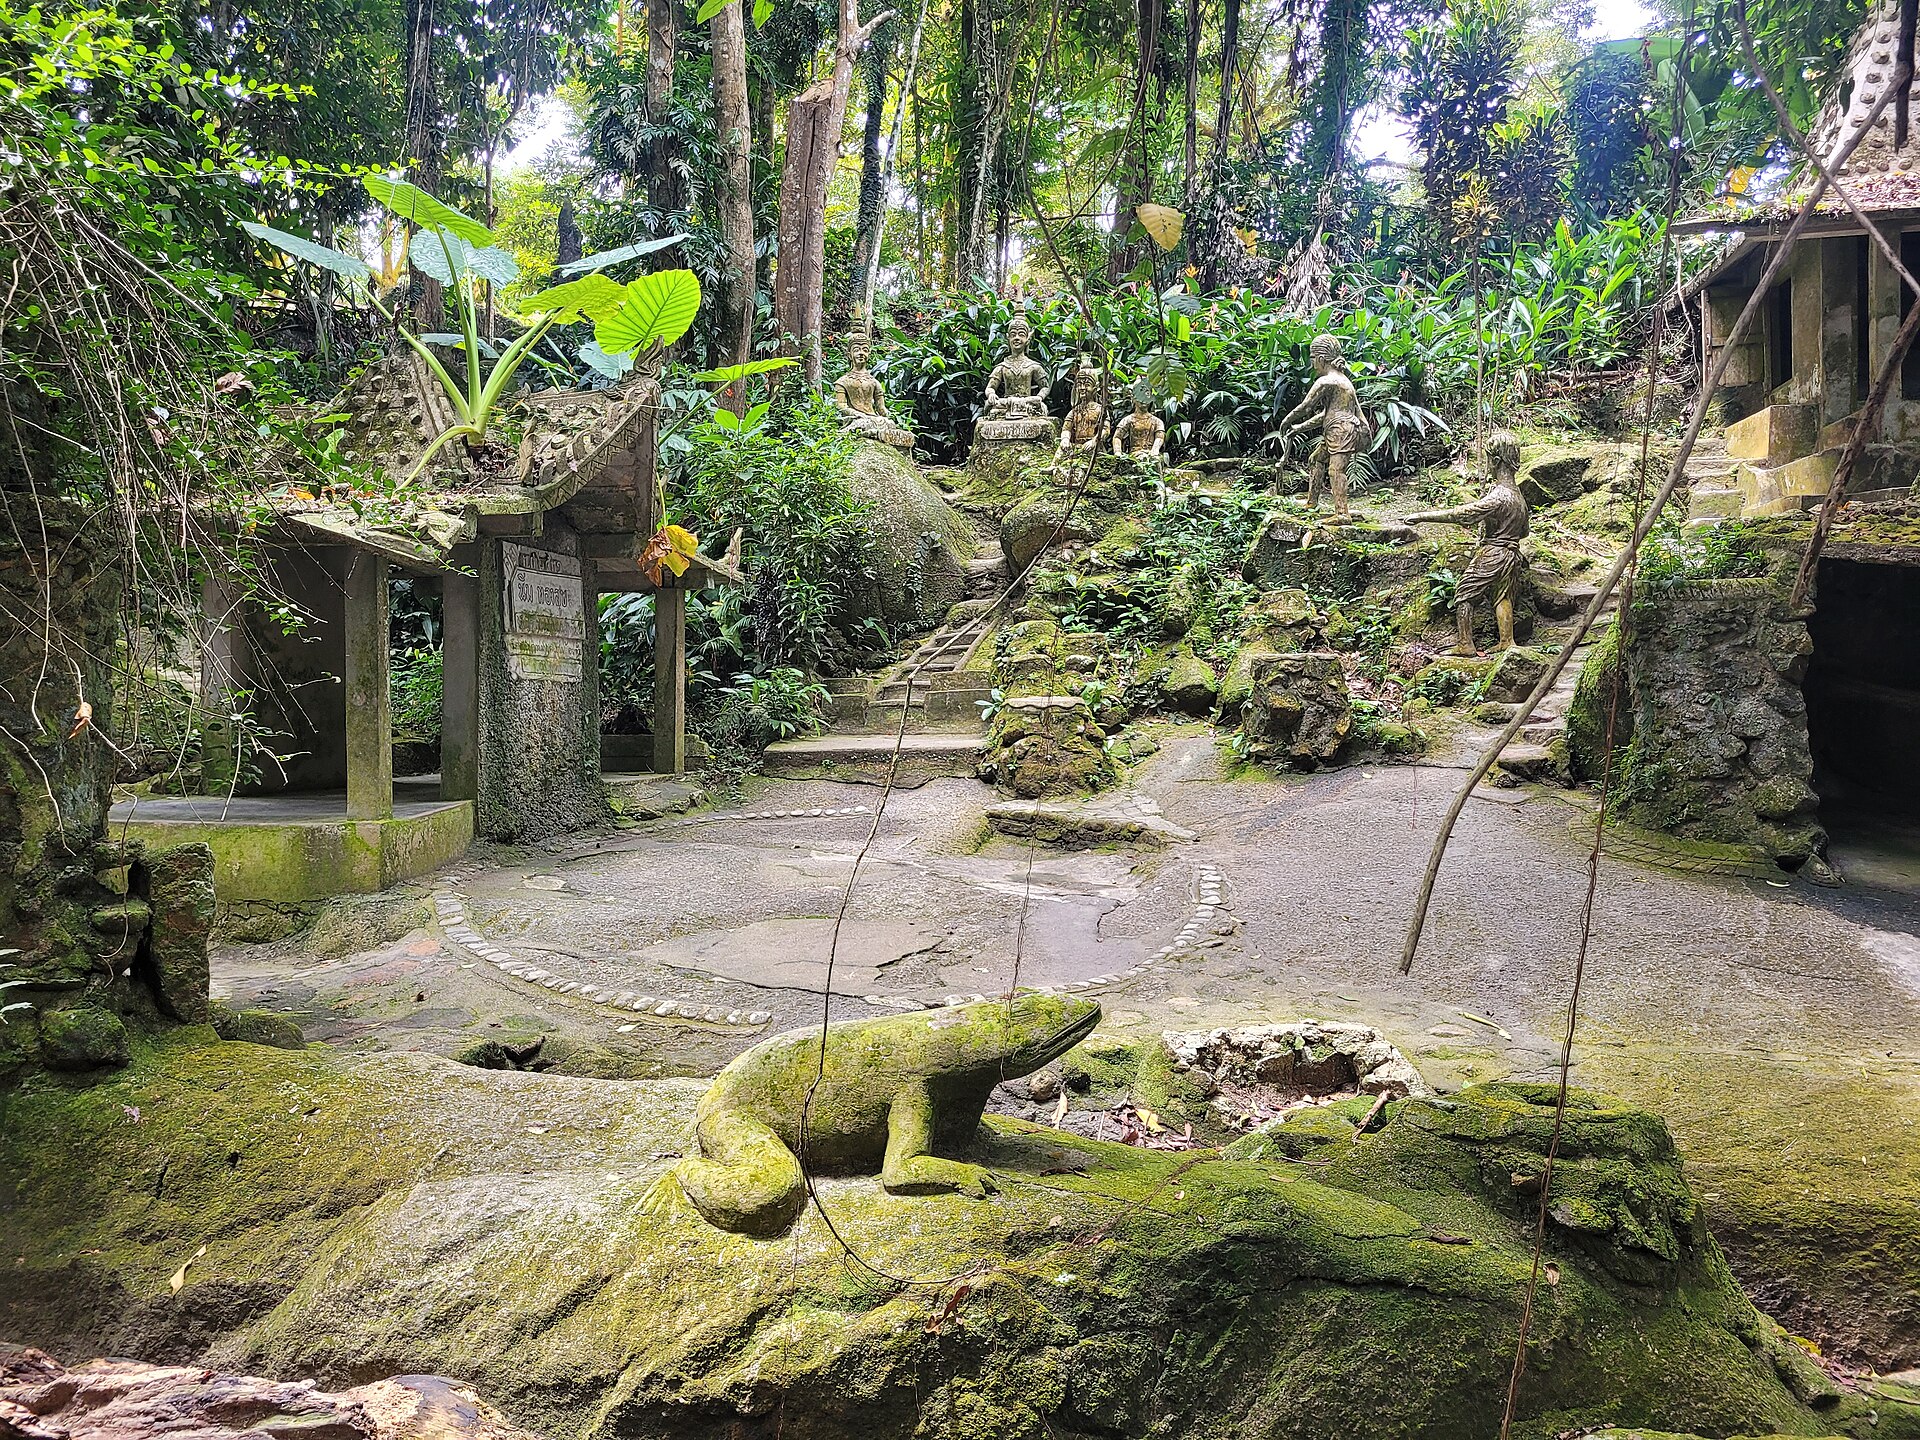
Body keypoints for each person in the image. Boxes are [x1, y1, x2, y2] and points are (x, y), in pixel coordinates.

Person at [1405, 430, 1530, 655]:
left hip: (1494, 552)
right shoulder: (1519, 498)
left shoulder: (1500, 495)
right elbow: (1524, 532)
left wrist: (1424, 516)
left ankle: (1465, 644)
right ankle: (1506, 641)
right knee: (1503, 596)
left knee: (1464, 593)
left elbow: (1464, 514)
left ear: (1496, 460)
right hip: (1512, 555)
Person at [1278, 333, 1371, 518]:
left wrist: (1287, 420)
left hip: (1341, 432)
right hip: (1343, 429)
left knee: (1336, 470)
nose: (1312, 364)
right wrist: (1299, 428)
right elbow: (1327, 415)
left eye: (1312, 359)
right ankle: (1312, 503)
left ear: (1321, 358)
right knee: (1316, 459)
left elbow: (1307, 406)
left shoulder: (1327, 381)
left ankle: (1342, 515)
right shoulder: (1343, 381)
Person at [831, 329, 914, 450]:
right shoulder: (843, 381)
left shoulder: (874, 382)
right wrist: (858, 415)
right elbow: (841, 406)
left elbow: (881, 408)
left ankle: (882, 435)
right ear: (849, 355)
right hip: (857, 420)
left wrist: (887, 416)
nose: (861, 353)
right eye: (856, 350)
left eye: (865, 350)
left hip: (873, 418)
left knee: (888, 424)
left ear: (869, 353)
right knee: (864, 424)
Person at [983, 316, 1051, 420]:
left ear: (1028, 339)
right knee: (991, 406)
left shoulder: (1033, 366)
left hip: (1027, 403)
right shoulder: (1002, 366)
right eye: (1013, 335)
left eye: (1021, 335)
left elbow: (1045, 387)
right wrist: (991, 394)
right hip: (1006, 404)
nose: (1017, 338)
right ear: (1008, 338)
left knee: (1040, 407)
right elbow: (990, 387)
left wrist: (1039, 397)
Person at [1111, 392, 1166, 461]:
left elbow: (1159, 437)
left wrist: (1155, 450)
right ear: (1133, 399)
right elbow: (1117, 437)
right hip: (1135, 454)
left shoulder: (1157, 421)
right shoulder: (1128, 420)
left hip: (1152, 454)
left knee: (1155, 460)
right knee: (1142, 458)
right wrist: (1118, 452)